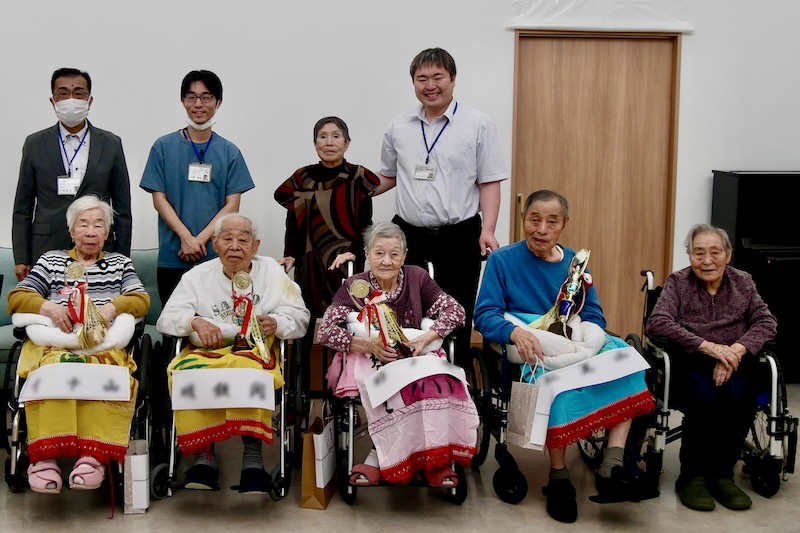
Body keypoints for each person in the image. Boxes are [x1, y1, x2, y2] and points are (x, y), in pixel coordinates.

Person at [474, 190, 655, 523]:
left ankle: (612, 462)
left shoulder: (575, 262)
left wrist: (587, 338)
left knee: (626, 365)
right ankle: (558, 475)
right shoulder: (502, 260)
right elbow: (484, 315)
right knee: (555, 384)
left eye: (551, 222)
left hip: (571, 338)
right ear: (523, 220)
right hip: (530, 343)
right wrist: (514, 332)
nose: (541, 229)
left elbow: (595, 314)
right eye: (534, 220)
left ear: (563, 225)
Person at [157, 214, 309, 493]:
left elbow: (299, 316)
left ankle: (252, 460)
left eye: (243, 239)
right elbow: (167, 319)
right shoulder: (196, 277)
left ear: (256, 245)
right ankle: (204, 457)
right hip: (208, 350)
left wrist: (278, 323)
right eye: (227, 238)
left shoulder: (273, 274)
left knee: (249, 373)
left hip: (255, 349)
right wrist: (194, 321)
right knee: (189, 373)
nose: (235, 246)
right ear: (215, 244)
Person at [318, 221, 478, 487]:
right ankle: (378, 456)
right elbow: (326, 331)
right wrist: (368, 344)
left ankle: (433, 460)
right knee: (392, 388)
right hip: (372, 355)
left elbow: (456, 311)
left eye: (394, 254)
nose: (386, 261)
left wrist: (429, 335)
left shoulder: (417, 277)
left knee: (436, 385)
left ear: (404, 255)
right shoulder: (355, 285)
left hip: (415, 354)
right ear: (367, 254)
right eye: (379, 253)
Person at [7, 196, 149, 494]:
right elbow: (17, 297)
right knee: (54, 371)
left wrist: (111, 307)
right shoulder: (52, 260)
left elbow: (140, 299)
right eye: (83, 224)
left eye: (99, 225)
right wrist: (49, 308)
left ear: (107, 232)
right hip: (57, 343)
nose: (90, 231)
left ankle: (93, 457)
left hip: (101, 344)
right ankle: (45, 458)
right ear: (71, 231)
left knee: (99, 373)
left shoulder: (120, 263)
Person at [377, 47, 507, 361]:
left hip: (460, 234)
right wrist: (347, 187)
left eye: (438, 77)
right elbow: (387, 176)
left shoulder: (478, 124)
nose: (430, 85)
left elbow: (489, 181)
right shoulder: (399, 126)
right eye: (422, 79)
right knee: (405, 307)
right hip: (409, 235)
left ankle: (455, 383)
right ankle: (407, 381)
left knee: (457, 309)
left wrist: (487, 230)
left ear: (453, 79)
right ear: (413, 83)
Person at [646, 224, 777, 512]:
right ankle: (691, 477)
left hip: (736, 359)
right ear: (690, 256)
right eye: (698, 253)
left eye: (715, 252)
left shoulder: (743, 282)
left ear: (728, 254)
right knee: (704, 399)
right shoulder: (678, 282)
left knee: (741, 398)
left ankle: (722, 474)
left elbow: (767, 322)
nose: (707, 261)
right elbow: (658, 322)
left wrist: (734, 351)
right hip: (691, 360)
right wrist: (708, 347)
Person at [140, 69, 255, 303]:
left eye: (207, 97)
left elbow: (232, 205)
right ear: (183, 101)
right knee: (174, 327)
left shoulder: (229, 152)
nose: (198, 104)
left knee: (216, 325)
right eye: (191, 97)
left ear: (218, 102)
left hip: (216, 256)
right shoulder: (163, 147)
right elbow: (158, 199)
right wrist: (185, 237)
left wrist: (199, 240)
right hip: (173, 255)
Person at [13, 68, 132, 282]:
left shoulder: (111, 144)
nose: (71, 100)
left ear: (89, 100)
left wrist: (122, 258)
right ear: (53, 100)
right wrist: (21, 257)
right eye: (63, 93)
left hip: (98, 249)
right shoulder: (35, 143)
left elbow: (122, 208)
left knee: (96, 308)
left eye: (78, 93)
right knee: (51, 311)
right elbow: (22, 207)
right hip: (45, 247)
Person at [273, 116, 380, 316]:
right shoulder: (301, 178)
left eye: (336, 136)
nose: (329, 142)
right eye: (322, 137)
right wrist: (290, 254)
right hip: (309, 261)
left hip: (345, 259)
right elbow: (293, 224)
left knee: (345, 316)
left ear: (347, 143)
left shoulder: (358, 176)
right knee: (306, 315)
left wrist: (354, 252)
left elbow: (366, 225)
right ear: (315, 144)